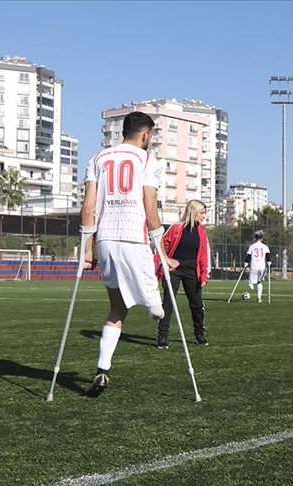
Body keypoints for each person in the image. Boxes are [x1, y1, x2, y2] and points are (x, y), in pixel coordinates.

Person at [80, 111, 166, 398]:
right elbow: (150, 210)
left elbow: (88, 210)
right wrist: (164, 254)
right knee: (157, 310)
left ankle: (102, 371)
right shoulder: (147, 160)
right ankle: (153, 304)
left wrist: (86, 251)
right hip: (134, 237)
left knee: (118, 308)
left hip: (105, 238)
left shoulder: (97, 159)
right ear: (145, 135)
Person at [155, 200, 211, 349]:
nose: (204, 216)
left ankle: (200, 334)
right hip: (174, 269)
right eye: (202, 213)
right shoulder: (175, 228)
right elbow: (162, 246)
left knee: (197, 304)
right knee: (168, 302)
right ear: (193, 212)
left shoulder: (202, 231)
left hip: (192, 270)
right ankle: (162, 336)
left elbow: (204, 254)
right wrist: (161, 264)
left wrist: (204, 274)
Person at [244, 230, 271, 303]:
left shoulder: (252, 246)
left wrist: (246, 263)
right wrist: (269, 262)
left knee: (252, 279)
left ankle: (251, 283)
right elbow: (268, 256)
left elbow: (248, 256)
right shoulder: (265, 247)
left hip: (254, 265)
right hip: (262, 266)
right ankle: (259, 298)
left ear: (255, 238)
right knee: (259, 282)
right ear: (262, 239)